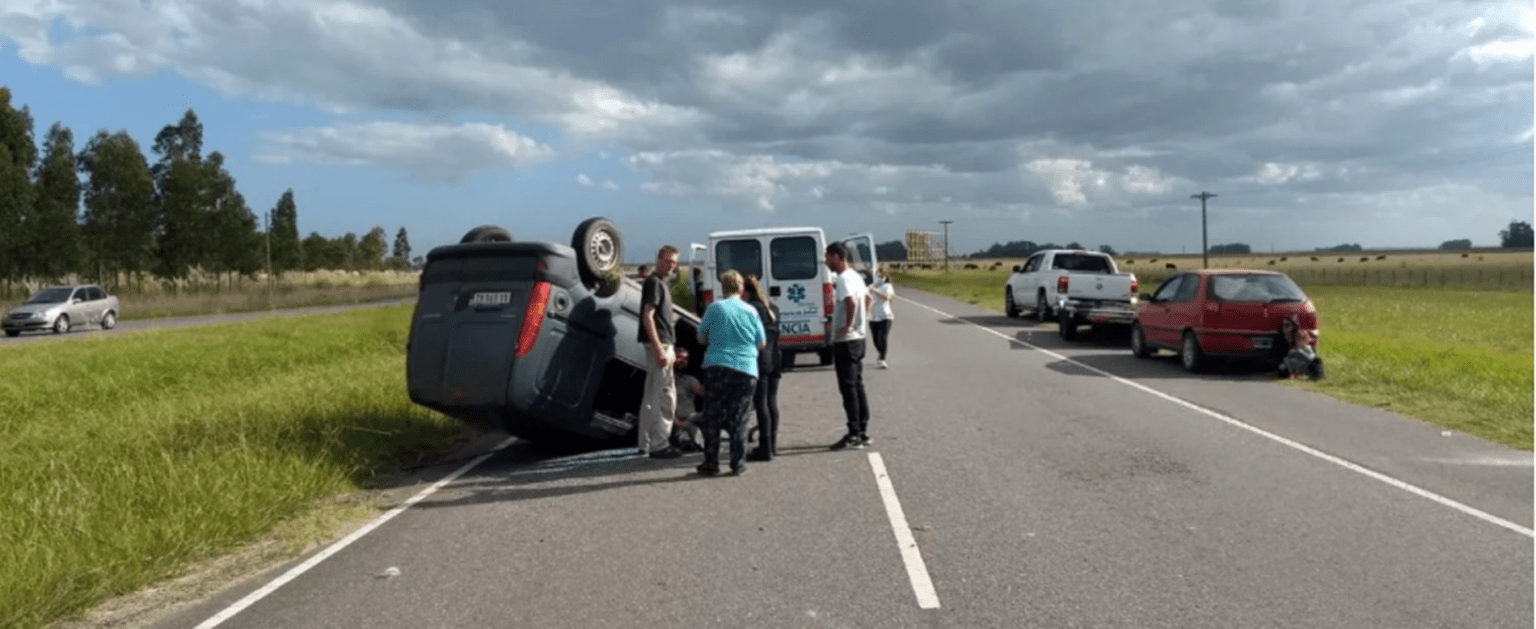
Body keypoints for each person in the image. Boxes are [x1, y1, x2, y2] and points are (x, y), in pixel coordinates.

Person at [695, 270, 766, 476]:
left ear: (723, 288)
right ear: (741, 288)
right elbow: (761, 343)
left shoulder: (714, 308)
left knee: (713, 416)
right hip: (745, 368)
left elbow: (700, 338)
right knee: (740, 417)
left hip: (717, 366)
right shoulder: (751, 311)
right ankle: (737, 462)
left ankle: (711, 461)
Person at [825, 242, 871, 450]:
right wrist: (862, 321)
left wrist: (846, 325)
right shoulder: (857, 277)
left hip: (847, 340)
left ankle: (854, 432)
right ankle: (862, 428)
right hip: (859, 338)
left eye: (828, 257)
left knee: (848, 387)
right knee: (857, 384)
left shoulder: (843, 279)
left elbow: (851, 302)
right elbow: (867, 298)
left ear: (838, 256)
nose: (826, 261)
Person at [638, 246, 683, 459]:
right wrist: (659, 349)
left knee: (650, 395)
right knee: (665, 397)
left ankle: (645, 442)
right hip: (660, 344)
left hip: (664, 343)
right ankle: (659, 443)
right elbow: (648, 316)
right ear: (658, 259)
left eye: (674, 262)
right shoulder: (655, 283)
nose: (671, 265)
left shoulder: (659, 283)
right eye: (668, 261)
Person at [742, 274, 782, 462]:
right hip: (775, 356)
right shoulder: (771, 307)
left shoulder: (751, 309)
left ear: (746, 291)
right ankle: (772, 445)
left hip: (760, 358)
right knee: (771, 400)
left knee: (761, 403)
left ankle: (765, 448)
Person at [671, 348, 705, 452]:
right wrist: (677, 422)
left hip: (691, 417)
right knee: (685, 432)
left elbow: (705, 393)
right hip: (672, 420)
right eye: (679, 357)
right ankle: (687, 441)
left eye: (685, 358)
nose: (682, 360)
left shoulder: (689, 380)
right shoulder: (663, 380)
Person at [868, 265, 895, 369]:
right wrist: (870, 288)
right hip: (873, 316)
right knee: (876, 340)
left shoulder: (887, 286)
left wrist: (876, 290)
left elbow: (887, 297)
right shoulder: (873, 286)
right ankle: (881, 353)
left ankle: (882, 359)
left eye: (881, 274)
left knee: (883, 337)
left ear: (885, 275)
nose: (879, 276)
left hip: (885, 316)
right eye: (877, 274)